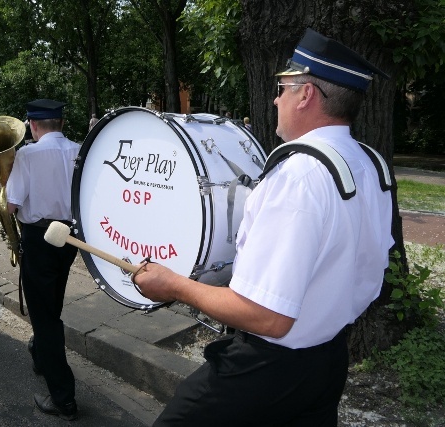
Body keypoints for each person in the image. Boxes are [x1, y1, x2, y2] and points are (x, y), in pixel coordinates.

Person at [132, 28, 393, 426]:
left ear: (306, 95)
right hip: (327, 360)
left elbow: (268, 316)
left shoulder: (299, 176)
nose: (275, 98)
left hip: (268, 367)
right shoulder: (370, 163)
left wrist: (174, 285)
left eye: (285, 87)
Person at [0, 99, 80, 421]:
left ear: (32, 125)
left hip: (38, 238)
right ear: (61, 123)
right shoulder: (81, 150)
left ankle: (63, 397)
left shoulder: (26, 155)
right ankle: (41, 352)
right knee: (52, 302)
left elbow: (8, 206)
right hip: (70, 238)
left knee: (45, 318)